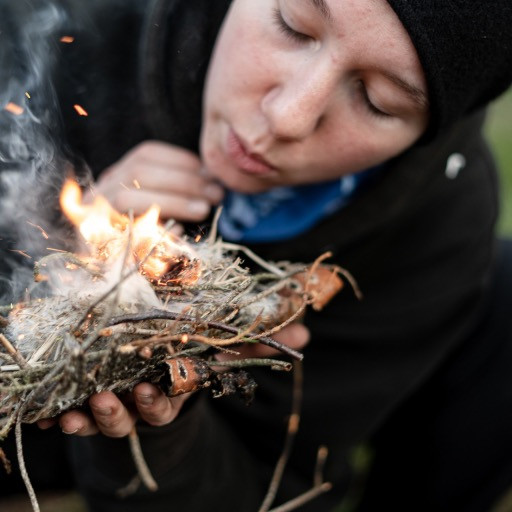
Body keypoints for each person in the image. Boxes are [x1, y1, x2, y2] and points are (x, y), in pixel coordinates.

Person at [0, 0, 511, 510]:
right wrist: (66, 261)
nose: (288, 117)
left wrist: (166, 422)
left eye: (378, 102)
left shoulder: (439, 220)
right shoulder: (66, 31)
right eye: (292, 27)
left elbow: (263, 485)